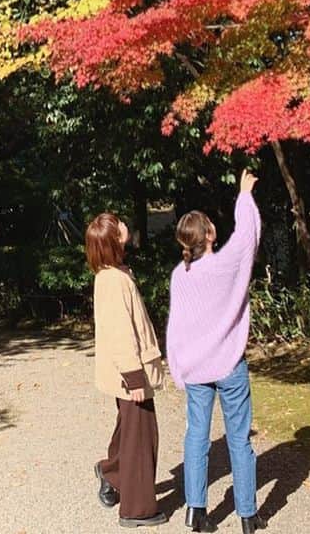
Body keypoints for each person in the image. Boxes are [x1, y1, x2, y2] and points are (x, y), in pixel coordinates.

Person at [166, 172, 262, 534]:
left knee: (196, 437)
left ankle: (196, 511)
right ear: (208, 235)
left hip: (196, 368)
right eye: (209, 225)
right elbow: (247, 235)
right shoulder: (224, 264)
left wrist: (177, 366)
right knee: (239, 439)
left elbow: (176, 327)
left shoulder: (181, 275)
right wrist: (244, 195)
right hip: (229, 364)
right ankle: (248, 516)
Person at [86, 212, 168, 528]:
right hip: (130, 373)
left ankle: (112, 471)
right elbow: (120, 333)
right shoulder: (113, 280)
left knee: (130, 429)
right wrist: (134, 377)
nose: (124, 226)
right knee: (141, 437)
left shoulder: (115, 273)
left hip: (127, 372)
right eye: (118, 225)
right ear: (111, 240)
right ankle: (137, 509)